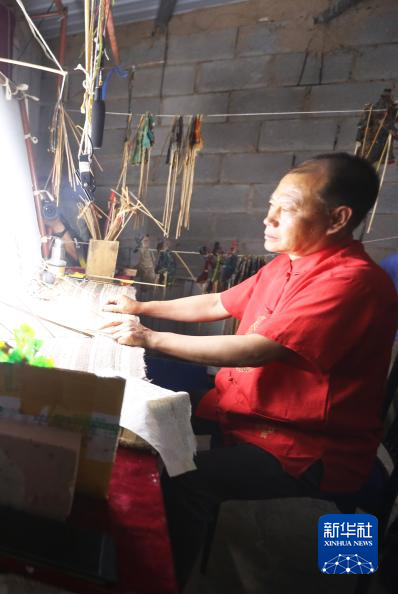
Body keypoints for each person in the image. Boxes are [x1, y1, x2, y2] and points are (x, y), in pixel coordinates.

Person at [100, 153, 398, 589]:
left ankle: (160, 583)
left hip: (308, 444)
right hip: (248, 408)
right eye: (270, 205)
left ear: (338, 218)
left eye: (286, 209)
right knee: (142, 404)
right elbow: (217, 302)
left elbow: (255, 351)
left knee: (186, 482)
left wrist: (149, 337)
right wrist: (139, 307)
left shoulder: (352, 282)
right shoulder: (289, 262)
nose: (268, 218)